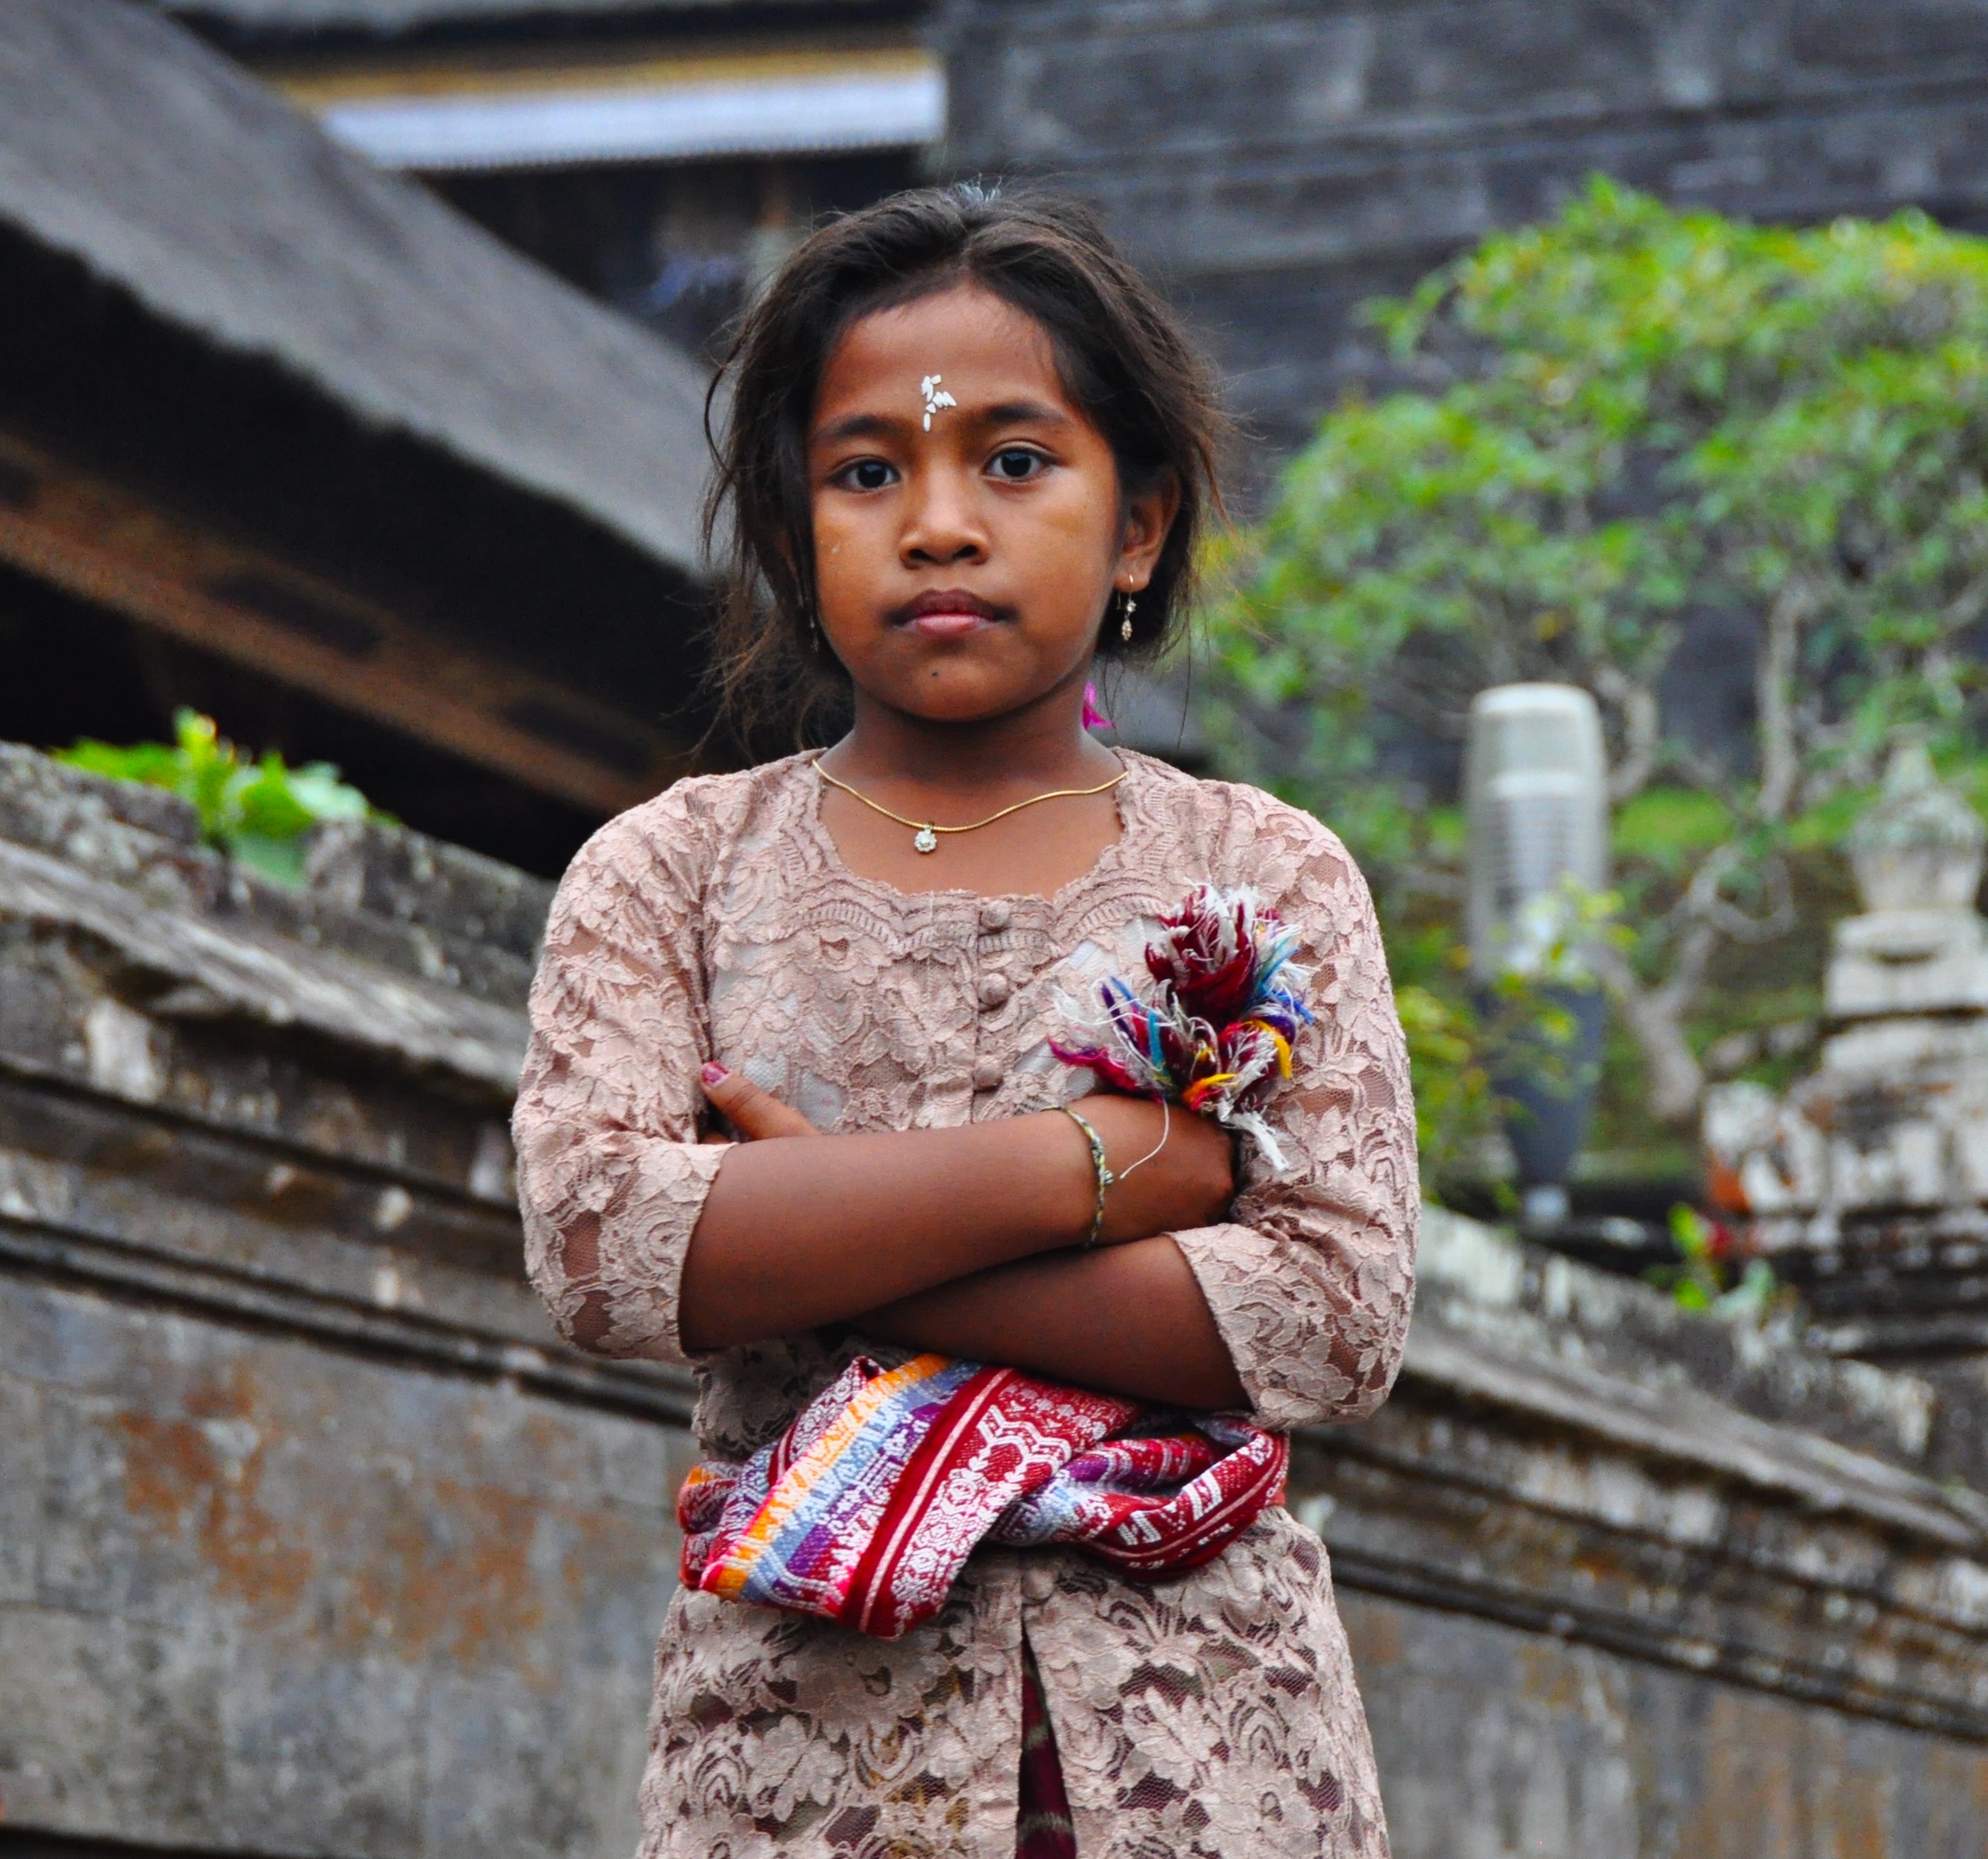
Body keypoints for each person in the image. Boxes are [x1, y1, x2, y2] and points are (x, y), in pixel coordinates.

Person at [513, 184, 1418, 1859]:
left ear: (1136, 526)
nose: (937, 522)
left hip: (1205, 1754)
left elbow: (1326, 1315)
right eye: (867, 472)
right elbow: (605, 1248)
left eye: (1012, 461)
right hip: (802, 1758)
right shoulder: (673, 874)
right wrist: (1099, 1166)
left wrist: (824, 1216)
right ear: (792, 535)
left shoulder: (1258, 873)